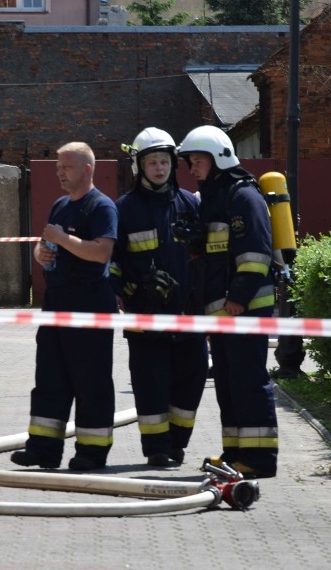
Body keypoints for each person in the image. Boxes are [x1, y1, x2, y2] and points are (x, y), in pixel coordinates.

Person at [176, 125, 279, 479]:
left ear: (218, 157)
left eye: (197, 160)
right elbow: (212, 259)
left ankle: (260, 459)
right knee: (229, 384)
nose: (192, 168)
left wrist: (238, 298)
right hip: (221, 313)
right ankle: (236, 454)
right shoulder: (215, 197)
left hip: (244, 309)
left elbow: (255, 254)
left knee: (248, 381)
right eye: (189, 162)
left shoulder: (243, 196)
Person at [11, 142, 119, 471]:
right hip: (57, 303)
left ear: (87, 169)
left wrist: (61, 240)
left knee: (91, 382)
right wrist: (40, 253)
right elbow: (46, 245)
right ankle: (42, 449)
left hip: (89, 304)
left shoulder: (102, 207)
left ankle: (91, 452)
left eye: (66, 167)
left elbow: (101, 252)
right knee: (50, 378)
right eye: (57, 166)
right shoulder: (60, 206)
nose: (59, 172)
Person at [111, 127, 208, 467]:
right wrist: (132, 290)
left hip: (188, 314)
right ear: (139, 167)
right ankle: (157, 450)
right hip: (145, 315)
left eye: (164, 161)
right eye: (152, 162)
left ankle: (178, 443)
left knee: (192, 379)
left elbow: (208, 254)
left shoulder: (190, 205)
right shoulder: (124, 209)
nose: (159, 168)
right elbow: (113, 263)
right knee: (150, 385)